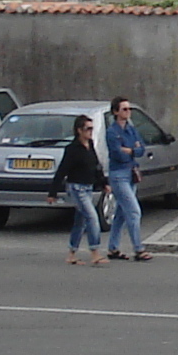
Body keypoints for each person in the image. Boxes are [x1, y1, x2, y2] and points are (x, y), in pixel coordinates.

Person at [54, 112, 109, 265]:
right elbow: (62, 171)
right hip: (76, 188)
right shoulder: (72, 149)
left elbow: (96, 166)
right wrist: (53, 192)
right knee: (92, 217)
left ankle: (71, 253)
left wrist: (103, 183)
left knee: (81, 221)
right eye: (88, 129)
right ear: (79, 130)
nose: (91, 132)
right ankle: (95, 252)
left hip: (88, 187)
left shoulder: (90, 145)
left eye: (92, 128)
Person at [102, 99, 153, 262]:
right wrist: (132, 150)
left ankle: (113, 247)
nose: (128, 111)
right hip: (118, 174)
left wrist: (130, 150)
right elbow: (117, 153)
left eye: (129, 109)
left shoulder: (131, 129)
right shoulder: (112, 132)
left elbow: (141, 149)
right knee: (133, 211)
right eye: (124, 109)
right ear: (116, 112)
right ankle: (138, 249)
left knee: (121, 213)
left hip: (131, 172)